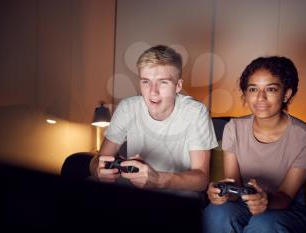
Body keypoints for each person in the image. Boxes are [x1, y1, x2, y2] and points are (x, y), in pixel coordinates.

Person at [203, 56, 306, 233]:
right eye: (253, 89)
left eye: (271, 89)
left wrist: (266, 201)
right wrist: (222, 192)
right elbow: (233, 184)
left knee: (264, 225)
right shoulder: (233, 128)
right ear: (245, 94)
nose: (260, 97)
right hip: (244, 202)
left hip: (286, 209)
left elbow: (286, 197)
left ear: (286, 94)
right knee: (216, 213)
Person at [89, 45, 218, 192]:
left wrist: (157, 179)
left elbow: (201, 179)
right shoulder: (127, 108)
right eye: (146, 81)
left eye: (163, 82)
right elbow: (98, 160)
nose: (153, 92)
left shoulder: (196, 112)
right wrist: (98, 170)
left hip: (178, 195)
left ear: (178, 86)